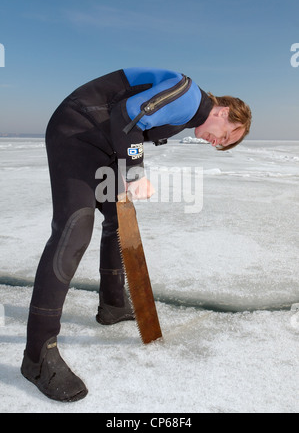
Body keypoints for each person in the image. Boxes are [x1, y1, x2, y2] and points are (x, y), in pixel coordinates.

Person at [21, 67, 251, 402]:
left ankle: (113, 304)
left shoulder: (187, 115)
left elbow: (127, 126)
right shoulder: (188, 95)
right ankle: (37, 356)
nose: (218, 143)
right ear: (224, 111)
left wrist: (126, 170)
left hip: (102, 145)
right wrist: (134, 171)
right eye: (226, 135)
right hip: (76, 130)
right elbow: (129, 114)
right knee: (74, 229)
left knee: (118, 219)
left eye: (224, 145)